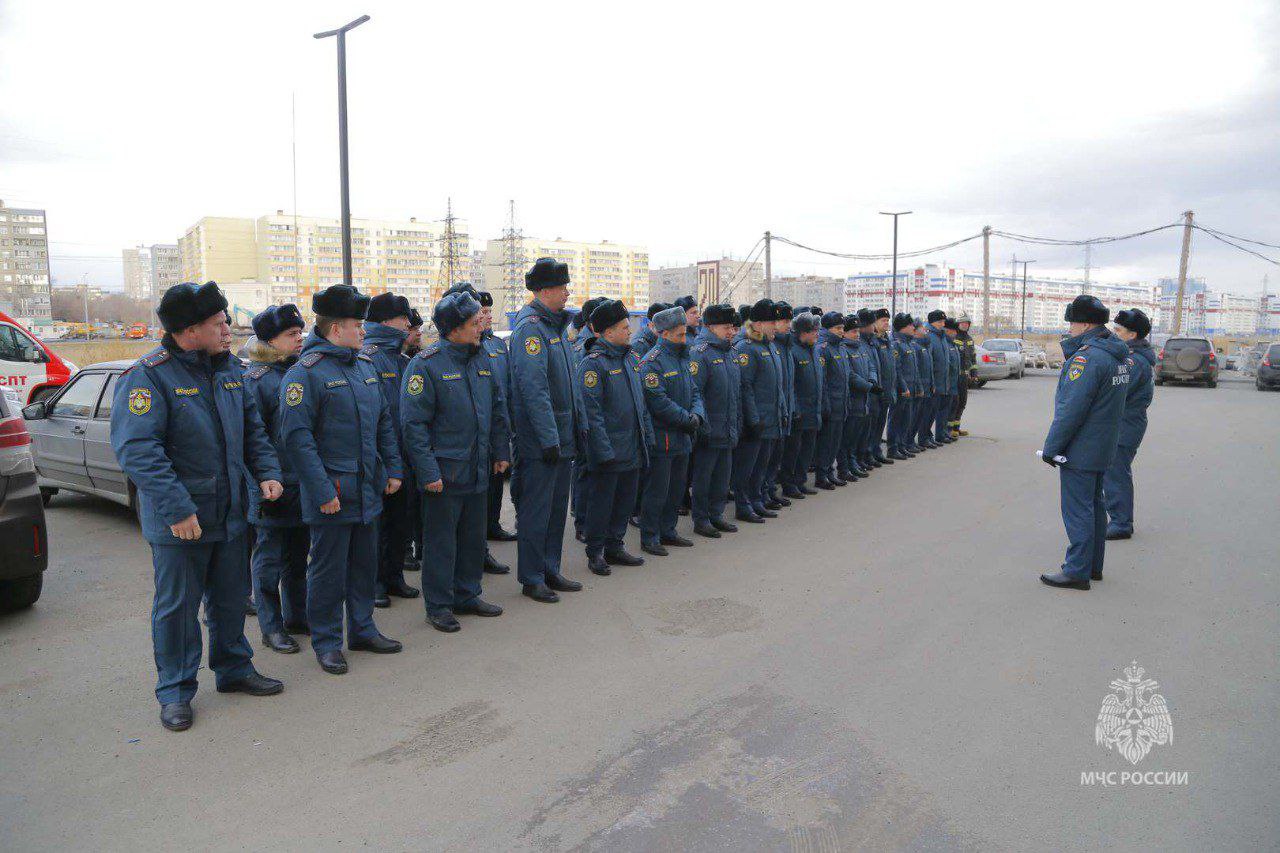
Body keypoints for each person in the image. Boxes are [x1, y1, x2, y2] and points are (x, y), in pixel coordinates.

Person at [111, 281, 284, 732]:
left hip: (229, 513)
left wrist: (267, 472)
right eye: (219, 323)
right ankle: (175, 691)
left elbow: (252, 432)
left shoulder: (230, 370)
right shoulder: (149, 376)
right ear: (190, 330)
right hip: (182, 521)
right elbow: (138, 451)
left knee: (229, 600)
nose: (229, 330)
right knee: (177, 609)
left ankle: (233, 669)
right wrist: (177, 509)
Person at [280, 284, 405, 674]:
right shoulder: (306, 374)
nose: (364, 332)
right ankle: (328, 641)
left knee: (364, 566)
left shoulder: (363, 366)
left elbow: (384, 421)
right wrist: (320, 492)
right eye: (358, 325)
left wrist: (392, 469)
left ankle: (363, 629)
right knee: (328, 571)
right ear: (336, 329)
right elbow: (297, 441)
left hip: (367, 487)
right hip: (332, 493)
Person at [400, 291, 511, 632]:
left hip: (478, 467)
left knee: (473, 538)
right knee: (441, 542)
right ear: (454, 328)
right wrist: (428, 471)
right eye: (475, 323)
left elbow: (497, 409)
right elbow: (413, 425)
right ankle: (439, 604)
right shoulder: (426, 364)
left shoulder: (481, 359)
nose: (482, 327)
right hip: (444, 473)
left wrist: (501, 451)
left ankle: (467, 593)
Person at [1039, 295, 1131, 590]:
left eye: (1073, 322)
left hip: (1082, 447)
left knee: (1078, 510)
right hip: (1104, 444)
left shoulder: (1087, 358)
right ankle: (1092, 566)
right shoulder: (1116, 355)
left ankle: (1077, 570)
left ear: (1086, 324)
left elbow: (1071, 409)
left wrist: (1052, 447)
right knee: (1094, 506)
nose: (1070, 328)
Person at [509, 258, 586, 603]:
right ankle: (532, 576)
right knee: (537, 511)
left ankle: (550, 568)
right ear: (543, 291)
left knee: (556, 511)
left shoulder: (554, 328)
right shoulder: (531, 329)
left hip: (562, 436)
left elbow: (569, 385)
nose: (567, 292)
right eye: (562, 287)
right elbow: (533, 389)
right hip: (542, 441)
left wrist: (577, 427)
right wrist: (549, 438)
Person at [244, 304, 309, 654]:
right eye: (291, 335)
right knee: (268, 560)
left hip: (301, 482)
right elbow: (253, 439)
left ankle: (298, 616)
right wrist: (263, 482)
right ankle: (271, 626)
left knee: (298, 557)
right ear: (270, 340)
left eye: (300, 333)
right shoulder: (257, 380)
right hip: (273, 486)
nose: (299, 339)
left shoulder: (296, 373)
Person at [577, 299, 651, 573]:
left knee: (624, 502)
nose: (629, 331)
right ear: (607, 332)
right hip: (608, 451)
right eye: (623, 327)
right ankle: (595, 551)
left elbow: (639, 403)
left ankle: (615, 545)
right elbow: (592, 414)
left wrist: (646, 438)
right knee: (602, 504)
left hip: (632, 446)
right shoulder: (592, 366)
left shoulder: (629, 359)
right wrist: (603, 451)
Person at [362, 291, 420, 607]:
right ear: (385, 322)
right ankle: (375, 583)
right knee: (379, 525)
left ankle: (394, 576)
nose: (408, 324)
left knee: (402, 520)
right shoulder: (369, 358)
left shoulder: (402, 359)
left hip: (405, 454)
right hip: (382, 458)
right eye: (402, 318)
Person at [638, 306, 704, 556]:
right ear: (664, 334)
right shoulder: (651, 363)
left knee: (676, 488)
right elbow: (657, 401)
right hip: (663, 437)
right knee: (658, 491)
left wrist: (697, 414)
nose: (683, 339)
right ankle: (650, 535)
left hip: (683, 435)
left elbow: (694, 390)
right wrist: (687, 419)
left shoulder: (682, 357)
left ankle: (669, 530)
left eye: (684, 333)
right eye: (678, 335)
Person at [688, 304, 742, 536]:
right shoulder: (699, 353)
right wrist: (704, 426)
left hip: (728, 425)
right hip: (709, 428)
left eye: (732, 327)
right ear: (709, 327)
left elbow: (736, 391)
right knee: (704, 477)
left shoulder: (730, 352)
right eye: (726, 327)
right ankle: (701, 519)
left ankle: (716, 514)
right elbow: (694, 392)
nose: (731, 331)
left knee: (722, 476)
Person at [1103, 308, 1155, 541]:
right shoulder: (1131, 356)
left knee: (1116, 473)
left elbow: (1117, 392)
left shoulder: (1135, 362)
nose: (1114, 333)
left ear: (1132, 335)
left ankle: (1121, 523)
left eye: (1119, 330)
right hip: (1124, 422)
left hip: (1126, 424)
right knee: (1113, 471)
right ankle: (1119, 519)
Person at [732, 299, 784, 522]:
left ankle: (757, 499)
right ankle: (744, 505)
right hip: (756, 420)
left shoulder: (770, 346)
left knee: (763, 464)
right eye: (772, 321)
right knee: (748, 466)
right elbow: (746, 387)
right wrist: (753, 419)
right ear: (759, 324)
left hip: (771, 417)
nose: (776, 326)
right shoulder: (746, 348)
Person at [570, 296, 607, 542]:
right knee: (584, 471)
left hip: (600, 420)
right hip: (586, 421)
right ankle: (581, 521)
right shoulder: (581, 349)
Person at [781, 311, 822, 497]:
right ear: (803, 332)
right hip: (799, 412)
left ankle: (800, 481)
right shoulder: (793, 351)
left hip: (813, 410)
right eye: (814, 331)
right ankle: (789, 484)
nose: (817, 334)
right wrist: (795, 408)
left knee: (807, 449)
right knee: (793, 451)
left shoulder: (813, 350)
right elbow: (790, 384)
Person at [764, 302, 796, 508]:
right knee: (766, 459)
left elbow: (789, 383)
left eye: (786, 321)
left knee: (777, 455)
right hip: (769, 411)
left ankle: (769, 491)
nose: (785, 325)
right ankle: (763, 493)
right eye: (782, 321)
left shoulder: (785, 345)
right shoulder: (771, 345)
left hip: (783, 409)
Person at [813, 311, 850, 489]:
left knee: (835, 441)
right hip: (830, 403)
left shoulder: (840, 347)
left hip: (841, 402)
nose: (842, 331)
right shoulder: (823, 348)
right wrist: (825, 404)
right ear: (827, 329)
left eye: (843, 328)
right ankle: (821, 475)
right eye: (838, 328)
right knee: (826, 442)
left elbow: (845, 376)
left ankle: (829, 472)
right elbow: (823, 381)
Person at [853, 309, 884, 472]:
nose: (874, 327)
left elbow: (873, 366)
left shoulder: (872, 342)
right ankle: (861, 456)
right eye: (872, 324)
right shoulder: (861, 344)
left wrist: (873, 380)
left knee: (872, 425)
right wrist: (869, 384)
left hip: (873, 389)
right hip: (866, 392)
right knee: (863, 428)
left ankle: (867, 454)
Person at [869, 308, 899, 466]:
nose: (886, 323)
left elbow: (891, 367)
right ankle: (869, 453)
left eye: (887, 320)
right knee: (872, 425)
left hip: (887, 389)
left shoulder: (887, 340)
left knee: (881, 423)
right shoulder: (873, 341)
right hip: (876, 391)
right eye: (883, 320)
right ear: (874, 323)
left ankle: (877, 452)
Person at [888, 313, 918, 459]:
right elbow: (897, 368)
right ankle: (892, 448)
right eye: (911, 325)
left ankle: (902, 445)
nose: (913, 327)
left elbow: (914, 368)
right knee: (896, 418)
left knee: (906, 419)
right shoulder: (896, 344)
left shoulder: (908, 343)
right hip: (901, 389)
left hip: (910, 388)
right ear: (903, 328)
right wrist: (904, 387)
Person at [923, 310, 951, 446]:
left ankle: (939, 434)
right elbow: (929, 362)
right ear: (932, 322)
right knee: (928, 412)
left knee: (938, 411)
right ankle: (925, 437)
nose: (942, 324)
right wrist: (932, 381)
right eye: (939, 322)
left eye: (943, 321)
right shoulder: (929, 337)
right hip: (934, 382)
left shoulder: (942, 336)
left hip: (943, 380)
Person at [912, 319, 940, 451]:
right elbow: (916, 370)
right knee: (918, 415)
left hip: (928, 385)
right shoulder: (915, 346)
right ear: (915, 330)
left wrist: (932, 383)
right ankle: (914, 440)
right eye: (922, 327)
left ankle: (924, 438)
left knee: (928, 413)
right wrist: (920, 387)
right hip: (920, 387)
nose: (925, 329)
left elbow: (930, 368)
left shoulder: (925, 345)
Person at [951, 313, 978, 437]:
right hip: (954, 375)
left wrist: (974, 373)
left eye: (967, 323)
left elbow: (973, 358)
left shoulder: (969, 339)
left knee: (962, 402)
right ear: (958, 324)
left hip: (964, 376)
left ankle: (957, 427)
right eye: (962, 323)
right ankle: (949, 429)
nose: (964, 325)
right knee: (954, 402)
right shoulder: (954, 338)